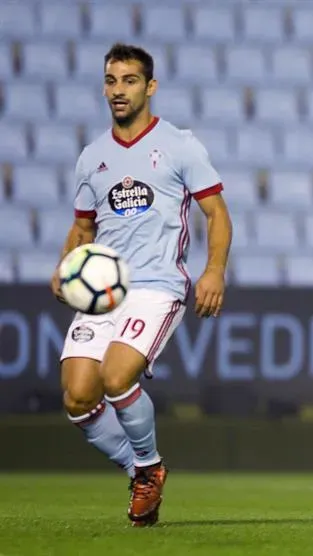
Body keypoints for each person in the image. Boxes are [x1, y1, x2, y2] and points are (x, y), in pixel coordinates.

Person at [50, 43, 233, 527]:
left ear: (149, 87)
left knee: (115, 378)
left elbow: (216, 213)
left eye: (129, 80)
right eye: (111, 81)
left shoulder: (179, 145)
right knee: (77, 397)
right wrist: (66, 261)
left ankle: (148, 468)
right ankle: (143, 474)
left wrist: (214, 269)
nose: (118, 90)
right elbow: (83, 227)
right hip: (104, 288)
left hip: (156, 285)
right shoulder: (92, 158)